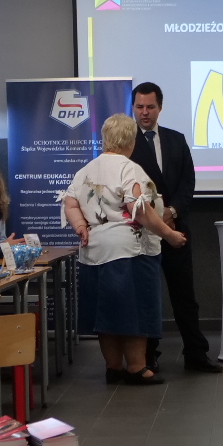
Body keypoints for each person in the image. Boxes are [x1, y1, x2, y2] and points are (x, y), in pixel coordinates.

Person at [64, 113, 187, 385]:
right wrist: (169, 235)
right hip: (129, 252)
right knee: (135, 310)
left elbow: (70, 203)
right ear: (131, 141)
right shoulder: (130, 169)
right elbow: (139, 210)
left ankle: (113, 367)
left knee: (106, 313)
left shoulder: (85, 170)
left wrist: (81, 227)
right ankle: (136, 367)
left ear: (104, 139)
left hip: (94, 252)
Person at [129, 81, 221, 373]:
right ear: (133, 107)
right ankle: (149, 355)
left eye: (150, 107)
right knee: (147, 296)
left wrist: (171, 211)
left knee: (185, 296)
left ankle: (196, 353)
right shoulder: (126, 143)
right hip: (142, 232)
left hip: (176, 228)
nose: (145, 113)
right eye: (139, 107)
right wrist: (157, 216)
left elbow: (187, 182)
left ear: (160, 107)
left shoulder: (176, 139)